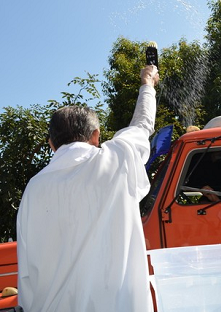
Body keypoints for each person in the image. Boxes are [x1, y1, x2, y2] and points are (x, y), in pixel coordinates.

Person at [16, 65, 159, 312]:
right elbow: (143, 125)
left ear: (51, 144)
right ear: (95, 136)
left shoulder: (33, 189)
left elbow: (27, 274)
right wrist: (147, 84)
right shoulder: (115, 160)